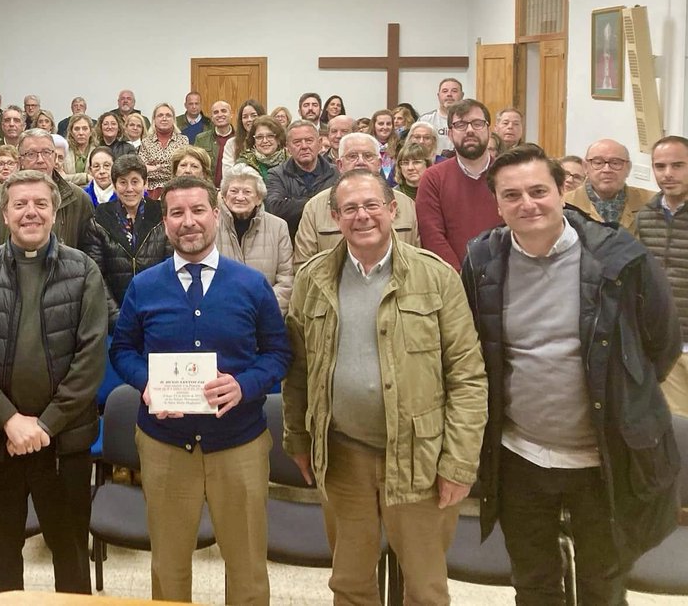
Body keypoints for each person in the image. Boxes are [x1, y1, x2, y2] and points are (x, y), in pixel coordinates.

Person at [462, 144, 681, 604]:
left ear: (564, 190)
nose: (528, 204)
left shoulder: (621, 259)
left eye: (539, 190)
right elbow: (478, 351)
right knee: (534, 583)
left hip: (602, 457)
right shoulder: (482, 261)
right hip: (519, 455)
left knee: (602, 585)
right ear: (498, 204)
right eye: (513, 195)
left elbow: (658, 349)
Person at [286, 169, 487, 605]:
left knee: (425, 587)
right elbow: (298, 370)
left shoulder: (437, 278)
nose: (362, 216)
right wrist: (298, 438)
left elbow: (468, 376)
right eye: (350, 209)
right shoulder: (313, 279)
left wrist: (459, 462)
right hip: (342, 458)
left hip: (421, 459)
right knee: (350, 583)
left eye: (372, 205)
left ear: (393, 211)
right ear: (335, 217)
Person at [110, 175, 291, 606]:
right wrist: (146, 384)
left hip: (239, 444)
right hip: (165, 446)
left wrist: (245, 385)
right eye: (176, 213)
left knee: (246, 566)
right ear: (166, 221)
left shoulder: (250, 284)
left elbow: (279, 353)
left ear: (216, 214)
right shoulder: (145, 285)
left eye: (197, 211)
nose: (187, 222)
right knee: (169, 566)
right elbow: (122, 350)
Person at [0, 169, 107, 595]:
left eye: (40, 204)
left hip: (64, 443)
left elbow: (91, 358)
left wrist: (45, 425)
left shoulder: (84, 271)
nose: (30, 212)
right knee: (0, 557)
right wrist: (9, 420)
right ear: (4, 213)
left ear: (55, 212)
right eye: (19, 204)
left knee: (71, 555)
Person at [294, 132, 420, 266]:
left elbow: (418, 260)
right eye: (352, 156)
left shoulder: (406, 204)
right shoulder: (315, 207)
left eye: (368, 156)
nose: (360, 161)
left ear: (379, 163)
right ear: (340, 165)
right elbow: (304, 265)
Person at [0, 129, 93, 257]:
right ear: (20, 160)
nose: (40, 160)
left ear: (55, 157)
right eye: (31, 154)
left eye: (46, 152)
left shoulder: (78, 198)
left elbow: (91, 251)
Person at [634, 135, 688, 417]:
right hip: (667, 341)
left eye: (678, 165)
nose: (668, 174)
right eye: (660, 166)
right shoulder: (645, 216)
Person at [82, 155, 172, 324]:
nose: (129, 188)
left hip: (158, 313)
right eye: (123, 182)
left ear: (145, 184)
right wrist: (117, 318)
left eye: (135, 181)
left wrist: (158, 312)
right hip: (115, 316)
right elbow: (96, 275)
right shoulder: (99, 220)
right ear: (115, 186)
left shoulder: (161, 215)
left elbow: (170, 267)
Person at [415, 99, 500, 271]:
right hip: (452, 282)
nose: (469, 130)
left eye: (477, 123)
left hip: (504, 278)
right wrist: (459, 279)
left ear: (488, 131)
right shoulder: (433, 178)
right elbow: (432, 235)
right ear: (450, 134)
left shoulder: (507, 174)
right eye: (461, 125)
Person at [215, 164, 293, 316]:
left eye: (247, 192)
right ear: (224, 195)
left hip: (265, 316)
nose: (240, 197)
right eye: (234, 191)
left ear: (259, 198)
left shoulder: (278, 227)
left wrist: (262, 313)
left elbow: (286, 279)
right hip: (220, 316)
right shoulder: (211, 225)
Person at [564, 139, 654, 233]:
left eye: (615, 163)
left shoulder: (651, 202)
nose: (607, 170)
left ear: (628, 168)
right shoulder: (564, 205)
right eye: (598, 163)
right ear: (585, 167)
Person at [265, 120, 337, 237]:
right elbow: (275, 209)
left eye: (309, 140)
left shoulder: (337, 173)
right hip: (291, 239)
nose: (304, 146)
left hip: (330, 238)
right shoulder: (276, 175)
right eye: (297, 142)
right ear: (288, 148)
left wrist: (292, 201)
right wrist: (322, 203)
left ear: (319, 143)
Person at [139, 103, 189, 192]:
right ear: (154, 119)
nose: (164, 118)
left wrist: (154, 167)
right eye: (160, 115)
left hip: (176, 188)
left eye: (168, 115)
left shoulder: (183, 141)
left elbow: (184, 168)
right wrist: (168, 168)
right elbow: (142, 169)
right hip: (151, 189)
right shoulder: (146, 142)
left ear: (174, 119)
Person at [220, 100, 265, 178]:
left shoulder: (268, 142)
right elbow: (227, 174)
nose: (249, 119)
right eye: (245, 117)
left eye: (253, 115)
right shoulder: (232, 143)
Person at [194, 100, 235, 186]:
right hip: (208, 189)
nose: (220, 115)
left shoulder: (241, 139)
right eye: (216, 112)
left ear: (231, 115)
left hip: (234, 190)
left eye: (224, 111)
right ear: (212, 118)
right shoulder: (201, 139)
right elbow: (195, 166)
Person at [419, 78, 463, 156]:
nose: (449, 94)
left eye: (454, 91)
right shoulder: (425, 120)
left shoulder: (469, 120)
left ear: (462, 95)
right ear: (438, 95)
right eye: (445, 91)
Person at [235, 115, 288, 181]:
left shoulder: (291, 161)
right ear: (254, 141)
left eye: (270, 136)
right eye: (259, 137)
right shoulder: (244, 163)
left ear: (278, 139)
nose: (265, 141)